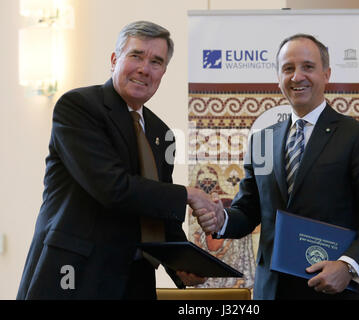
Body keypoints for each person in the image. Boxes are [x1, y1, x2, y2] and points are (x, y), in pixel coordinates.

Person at [17, 21, 215, 300]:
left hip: (134, 281)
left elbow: (158, 213)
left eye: (156, 61)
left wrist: (182, 263)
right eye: (136, 55)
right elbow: (112, 187)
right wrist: (187, 195)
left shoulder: (162, 133)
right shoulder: (78, 107)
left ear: (163, 73)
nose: (145, 68)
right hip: (74, 276)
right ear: (114, 60)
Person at [194, 34, 359, 300]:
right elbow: (249, 209)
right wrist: (222, 220)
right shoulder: (262, 140)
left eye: (308, 67)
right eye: (288, 68)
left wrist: (348, 266)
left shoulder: (357, 136)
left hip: (332, 290)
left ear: (327, 74)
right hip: (272, 291)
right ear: (278, 77)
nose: (297, 76)